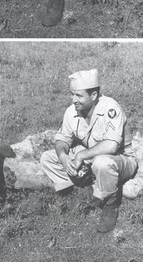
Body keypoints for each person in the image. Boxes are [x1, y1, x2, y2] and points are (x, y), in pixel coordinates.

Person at [40, 69, 137, 232]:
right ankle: (83, 186)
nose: (73, 100)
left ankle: (110, 205)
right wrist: (63, 156)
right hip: (90, 155)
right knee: (47, 158)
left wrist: (80, 156)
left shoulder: (110, 108)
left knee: (103, 163)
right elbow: (62, 139)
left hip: (120, 158)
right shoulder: (72, 111)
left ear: (93, 95)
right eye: (72, 94)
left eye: (78, 95)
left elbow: (111, 146)